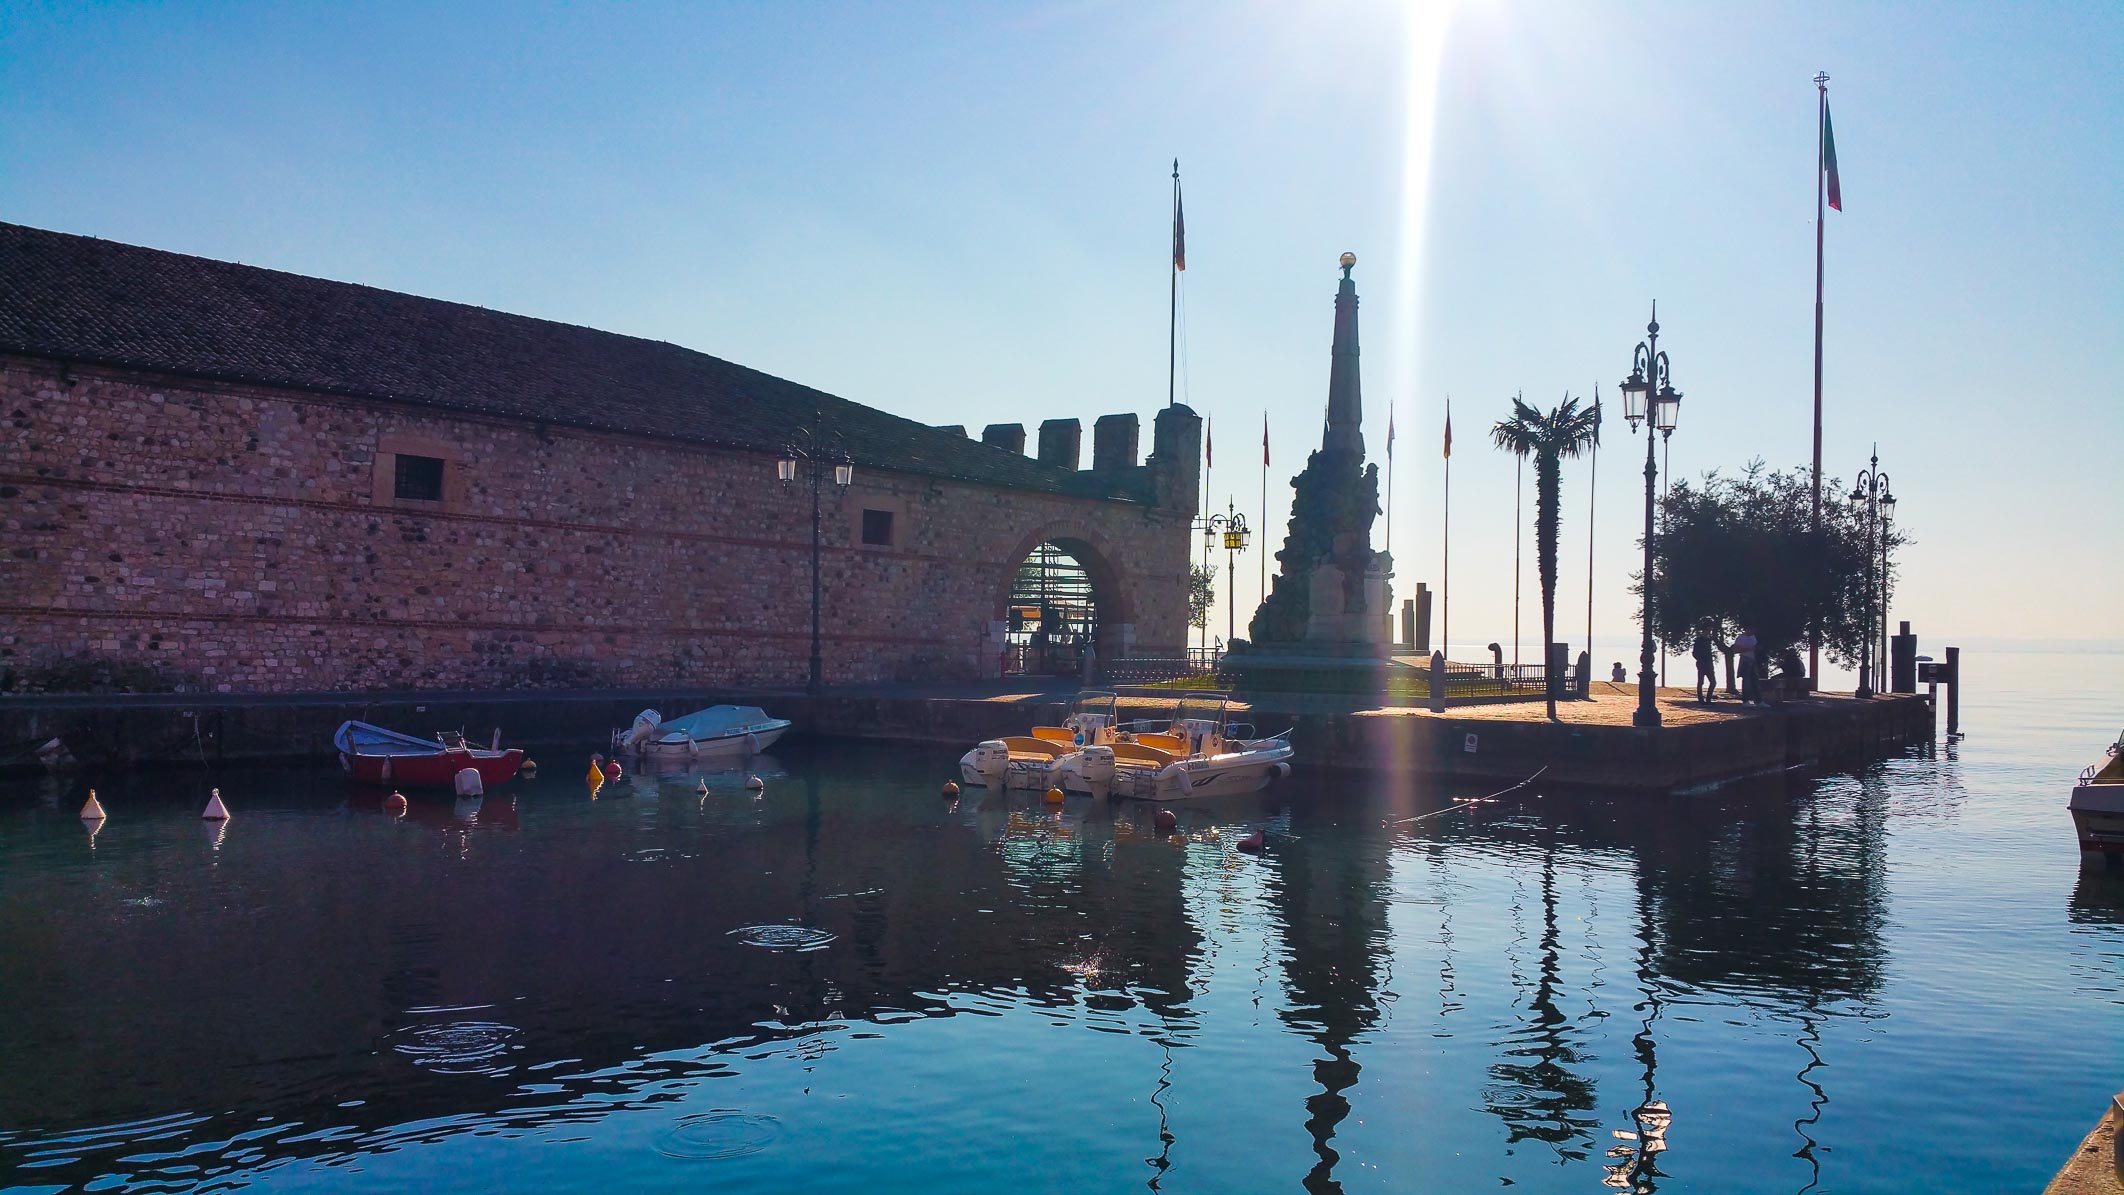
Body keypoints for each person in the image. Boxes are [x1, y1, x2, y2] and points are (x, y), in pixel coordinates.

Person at [1733, 627, 1760, 705]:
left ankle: (1758, 701)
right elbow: (1736, 650)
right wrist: (1750, 648)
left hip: (1753, 661)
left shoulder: (1754, 637)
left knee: (1755, 682)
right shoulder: (1741, 638)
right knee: (1746, 682)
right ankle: (1747, 701)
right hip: (1745, 660)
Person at [1693, 629, 1718, 703]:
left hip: (1709, 663)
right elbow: (1694, 652)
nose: (1709, 631)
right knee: (1701, 682)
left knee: (1713, 682)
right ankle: (1701, 700)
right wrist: (1700, 659)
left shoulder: (1708, 640)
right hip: (1702, 663)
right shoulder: (1699, 640)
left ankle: (1708, 699)